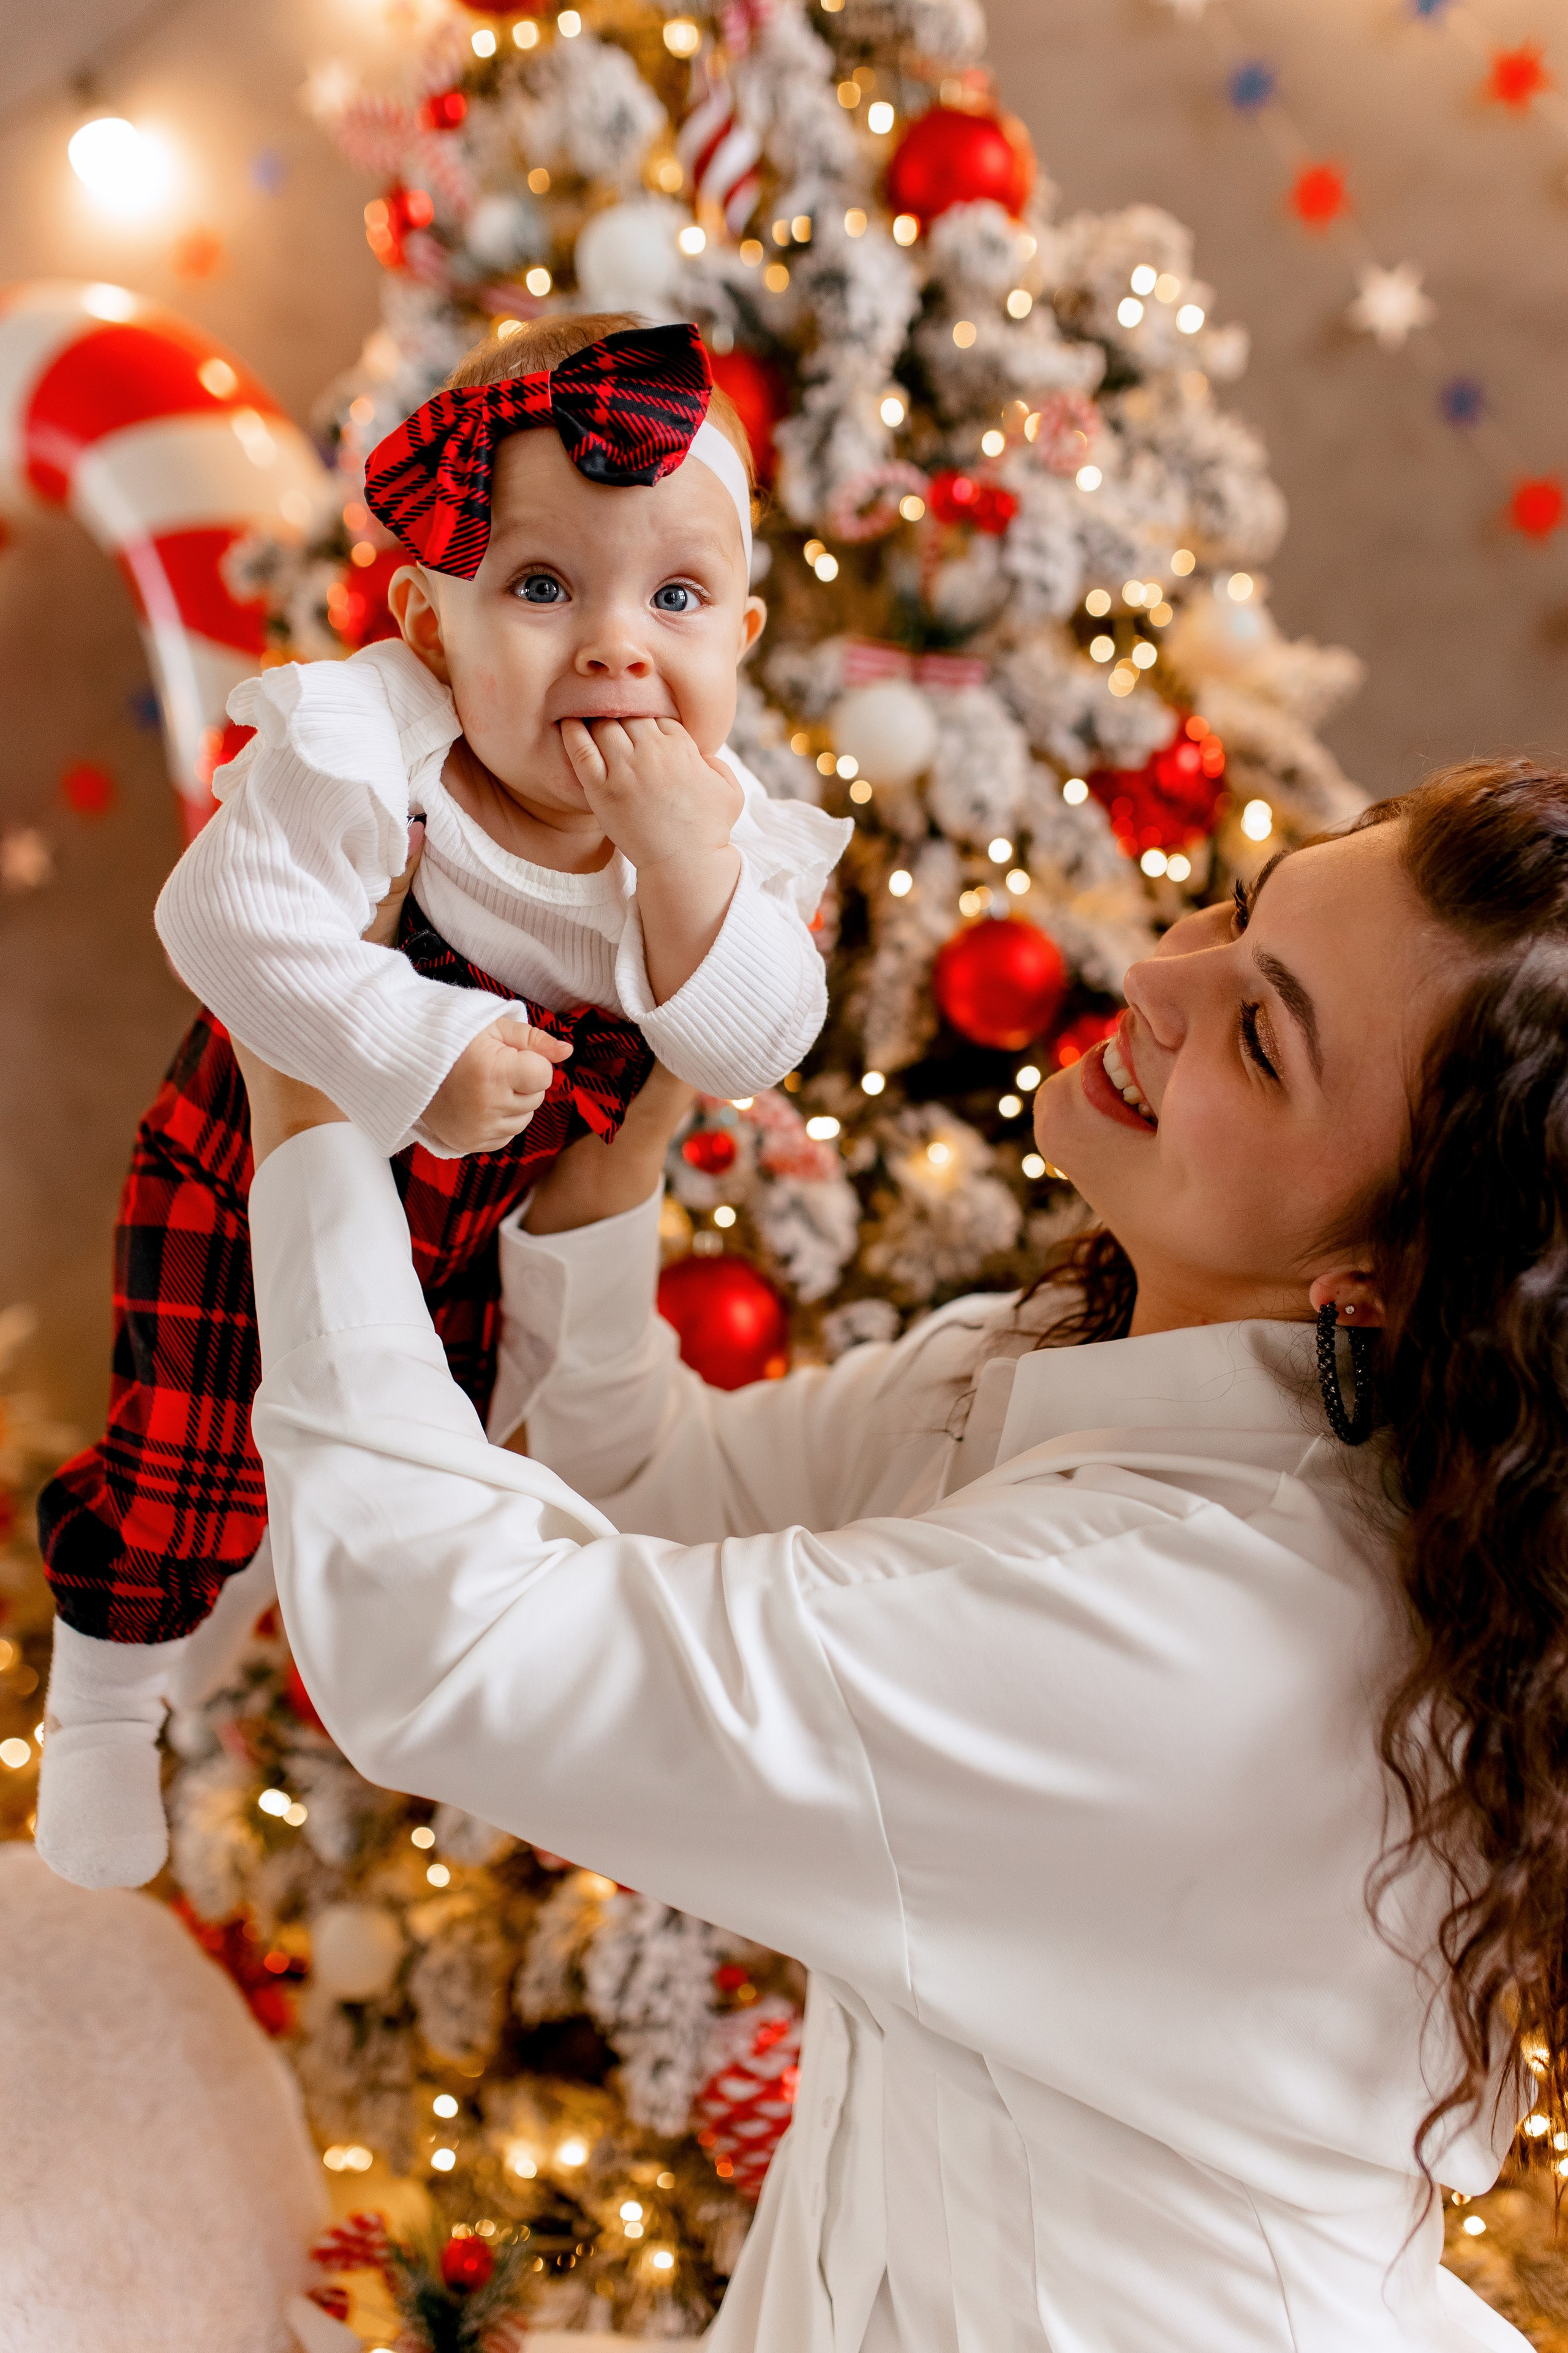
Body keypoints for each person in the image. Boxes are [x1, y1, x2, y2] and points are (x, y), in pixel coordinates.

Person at [235, 758, 1565, 2352]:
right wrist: (606, 1184)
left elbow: (448, 1650)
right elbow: (658, 1483)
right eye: (1240, 905)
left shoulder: (1188, 1630)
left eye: (1262, 1036)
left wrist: (308, 1107)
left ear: (1381, 1275)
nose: (1159, 969)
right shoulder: (1076, 1360)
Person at [34, 314, 848, 1893]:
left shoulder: (718, 830)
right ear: (428, 623)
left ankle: (233, 1655)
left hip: (465, 1242)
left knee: (400, 1476)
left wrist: (686, 863)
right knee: (188, 1454)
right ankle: (103, 1696)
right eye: (543, 589)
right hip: (239, 1175)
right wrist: (406, 1036)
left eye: (675, 598)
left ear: (741, 635)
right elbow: (220, 923)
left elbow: (754, 1041)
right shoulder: (375, 749)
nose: (618, 646)